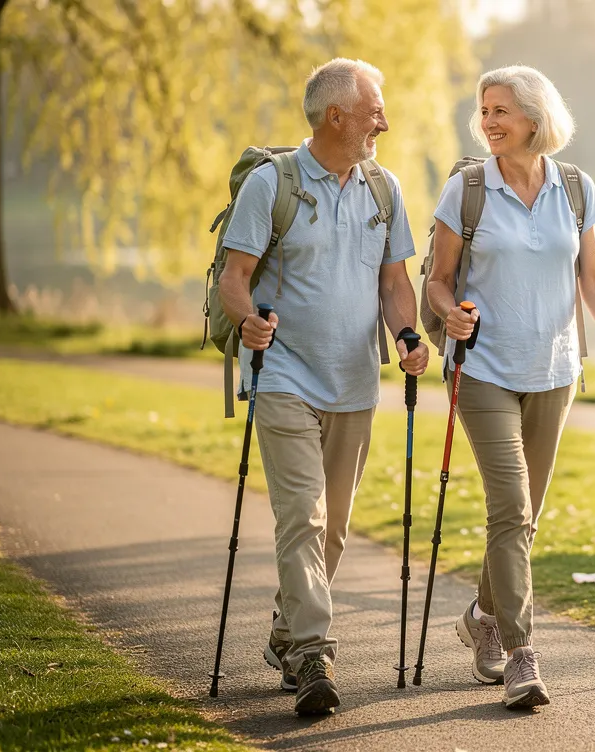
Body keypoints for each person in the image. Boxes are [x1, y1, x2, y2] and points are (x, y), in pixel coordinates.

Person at [426, 65, 595, 709]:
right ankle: (522, 653)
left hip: (555, 370)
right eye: (484, 111)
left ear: (534, 118)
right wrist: (450, 314)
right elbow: (437, 280)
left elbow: (593, 279)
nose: (488, 122)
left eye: (500, 111)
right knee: (511, 508)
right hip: (483, 368)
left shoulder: (575, 188)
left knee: (525, 517)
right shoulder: (467, 189)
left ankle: (481, 617)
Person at [218, 58, 428, 716]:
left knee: (332, 529)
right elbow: (234, 276)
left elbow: (394, 282)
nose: (383, 124)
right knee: (302, 519)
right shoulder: (271, 184)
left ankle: (286, 631)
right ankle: (313, 654)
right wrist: (247, 321)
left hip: (355, 381)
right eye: (374, 112)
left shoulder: (383, 189)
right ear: (337, 116)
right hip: (283, 374)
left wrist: (408, 335)